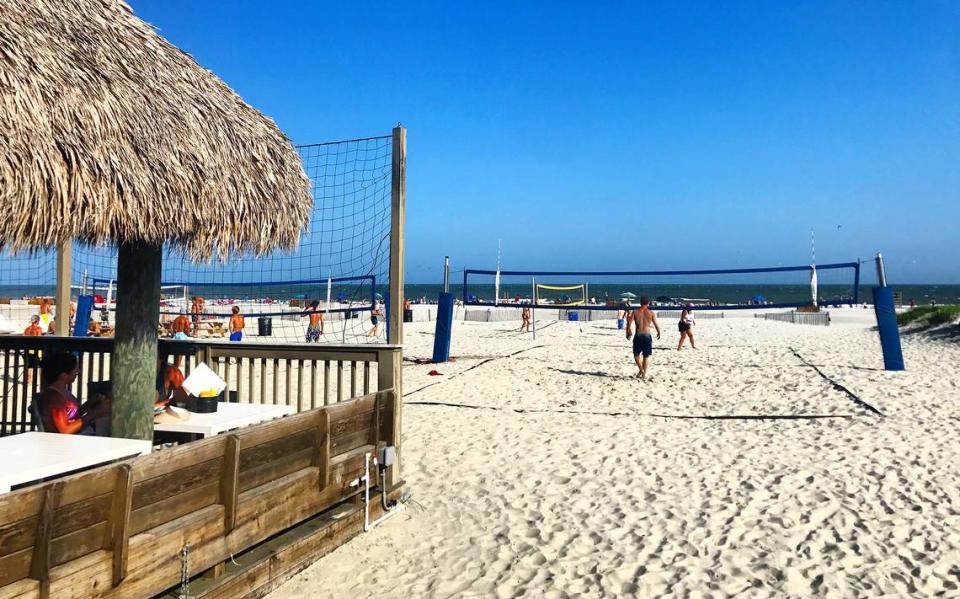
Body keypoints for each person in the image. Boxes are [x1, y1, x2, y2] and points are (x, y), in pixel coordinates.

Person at [38, 352, 109, 434]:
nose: (78, 371)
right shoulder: (54, 397)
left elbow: (72, 416)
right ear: (63, 375)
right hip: (66, 443)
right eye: (75, 369)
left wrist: (89, 403)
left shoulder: (61, 392)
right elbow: (65, 430)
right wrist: (95, 412)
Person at [625, 295, 661, 380]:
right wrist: (659, 332)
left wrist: (628, 332)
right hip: (647, 335)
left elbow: (628, 324)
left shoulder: (635, 312)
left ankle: (641, 370)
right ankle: (644, 373)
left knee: (636, 355)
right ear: (648, 303)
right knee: (646, 355)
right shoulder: (651, 313)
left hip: (638, 335)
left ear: (640, 303)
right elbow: (656, 324)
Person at [23, 315, 43, 384]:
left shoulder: (26, 329)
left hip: (28, 349)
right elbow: (39, 339)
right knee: (40, 366)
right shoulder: (39, 329)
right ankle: (41, 381)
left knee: (30, 366)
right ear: (38, 321)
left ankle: (29, 381)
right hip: (37, 349)